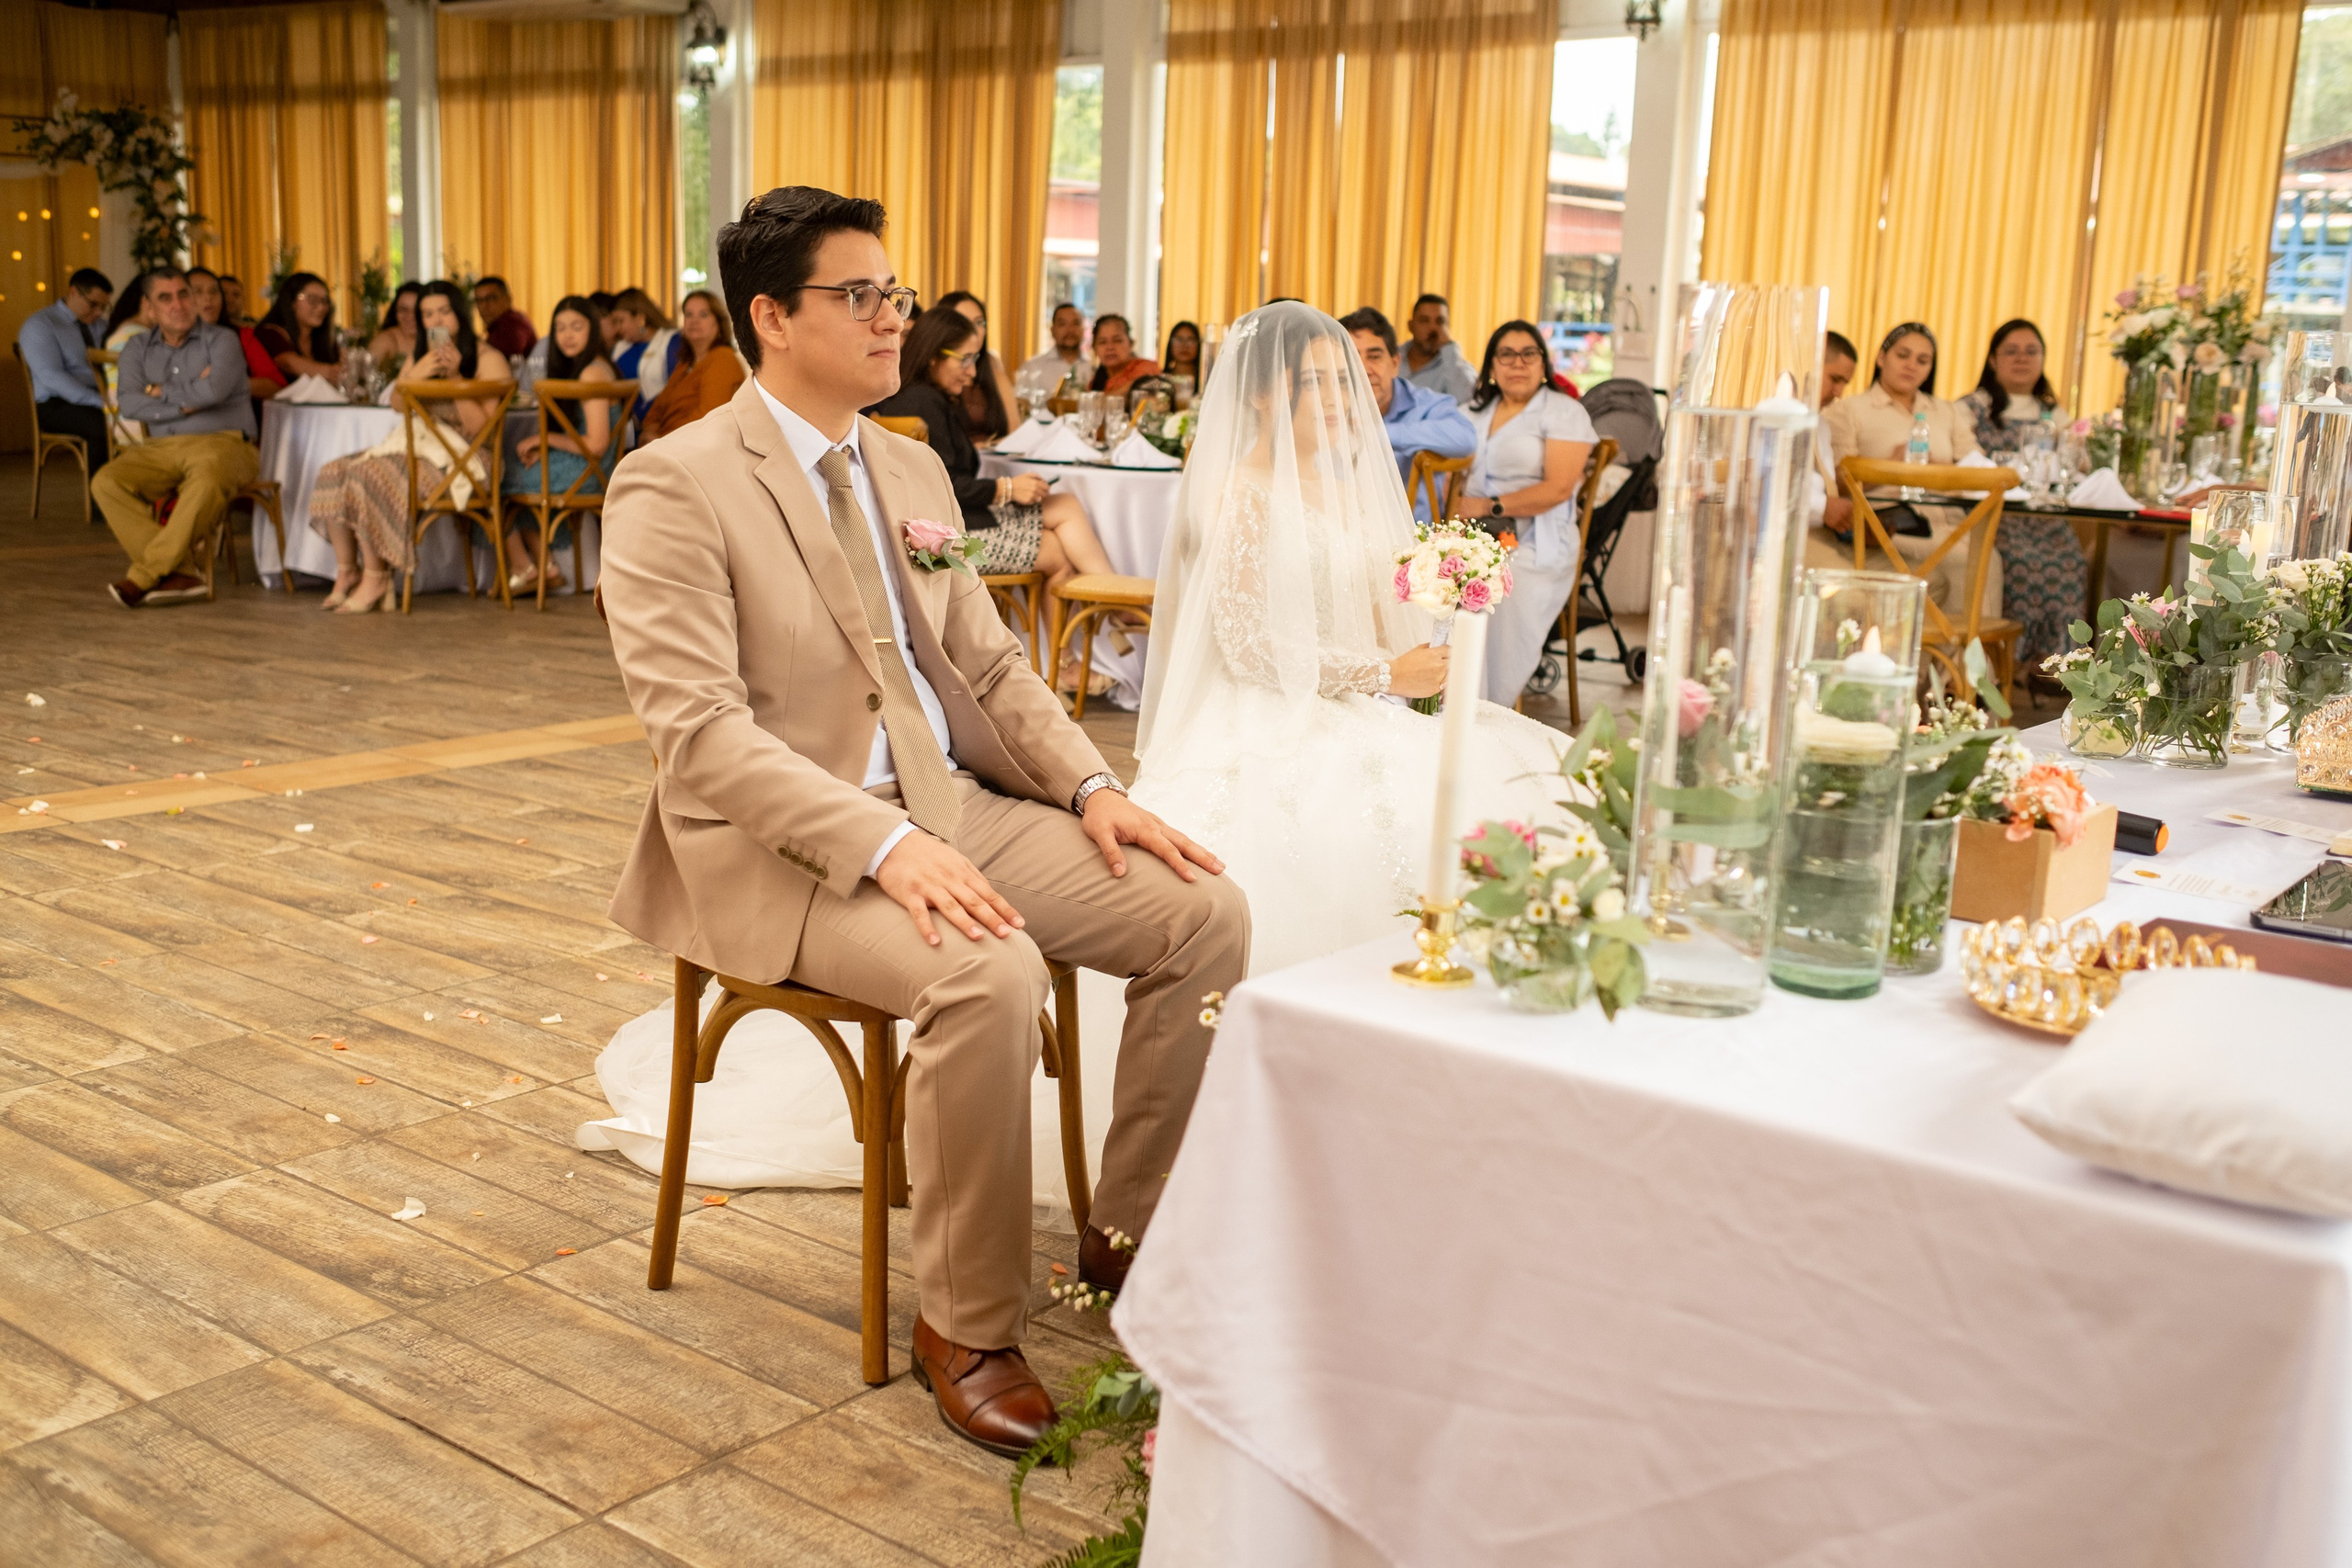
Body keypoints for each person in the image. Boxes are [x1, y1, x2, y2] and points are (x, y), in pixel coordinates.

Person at [595, 184, 1248, 1461]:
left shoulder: (904, 458)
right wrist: (890, 845)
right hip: (800, 849)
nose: (897, 315)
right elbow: (703, 737)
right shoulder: (670, 486)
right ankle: (966, 1321)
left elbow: (991, 664)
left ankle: (1131, 1230)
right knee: (989, 974)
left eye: (895, 291)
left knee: (1203, 914)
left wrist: (1095, 789)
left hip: (956, 806)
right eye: (864, 296)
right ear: (773, 318)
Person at [1131, 300, 1565, 976]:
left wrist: (1435, 591)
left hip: (1356, 689)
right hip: (1268, 707)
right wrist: (1388, 675)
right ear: (1263, 394)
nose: (1342, 398)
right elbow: (1246, 644)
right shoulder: (1236, 491)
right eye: (1319, 383)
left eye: (1346, 380)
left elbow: (1360, 603)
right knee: (1374, 818)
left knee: (1515, 772)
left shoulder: (1339, 483)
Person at [868, 305, 1133, 694]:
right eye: (966, 360)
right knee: (1060, 540)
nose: (973, 372)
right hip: (943, 541)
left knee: (1064, 516)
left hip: (951, 524)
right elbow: (941, 487)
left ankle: (1091, 636)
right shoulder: (922, 403)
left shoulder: (928, 398)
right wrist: (1006, 490)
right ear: (933, 355)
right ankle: (1110, 620)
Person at [307, 280, 512, 614]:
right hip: (422, 449)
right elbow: (399, 405)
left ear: (459, 314)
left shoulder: (489, 359)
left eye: (444, 311)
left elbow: (480, 430)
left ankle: (378, 577)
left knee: (367, 473)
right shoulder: (422, 357)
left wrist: (456, 378)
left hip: (469, 459)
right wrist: (416, 373)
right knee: (333, 470)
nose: (436, 321)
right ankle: (347, 572)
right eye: (428, 314)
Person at [93, 267, 259, 607]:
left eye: (185, 294)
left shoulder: (223, 340)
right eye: (165, 298)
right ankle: (180, 572)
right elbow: (129, 403)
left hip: (225, 442)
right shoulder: (137, 348)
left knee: (206, 478)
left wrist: (158, 392)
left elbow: (212, 391)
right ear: (149, 308)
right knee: (106, 481)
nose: (178, 305)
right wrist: (187, 400)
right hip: (159, 448)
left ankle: (143, 576)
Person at [1813, 321, 1997, 623]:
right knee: (1961, 561)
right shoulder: (1848, 410)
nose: (1911, 366)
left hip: (1953, 525)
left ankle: (1973, 665)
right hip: (1891, 527)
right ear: (1882, 358)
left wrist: (1930, 469)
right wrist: (1893, 469)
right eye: (1903, 355)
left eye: (1922, 361)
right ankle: (1937, 665)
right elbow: (1838, 485)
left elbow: (1978, 469)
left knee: (1988, 557)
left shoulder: (1947, 412)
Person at [1457, 321, 1598, 705]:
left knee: (1501, 586)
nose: (1517, 363)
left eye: (1528, 353)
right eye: (1506, 354)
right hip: (1471, 533)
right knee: (1430, 579)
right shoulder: (1470, 411)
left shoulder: (1563, 412)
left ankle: (1487, 706)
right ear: (1491, 366)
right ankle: (1439, 702)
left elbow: (1559, 488)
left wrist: (1488, 506)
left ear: (1543, 364)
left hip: (1537, 539)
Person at [1961, 318, 2081, 670]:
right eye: (2011, 351)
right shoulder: (1971, 407)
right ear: (1993, 360)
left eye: (2031, 351)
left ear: (2043, 359)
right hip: (1994, 515)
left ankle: (2053, 663)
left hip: (2043, 516)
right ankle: (2005, 662)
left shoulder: (2055, 415)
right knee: (2020, 563)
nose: (2021, 359)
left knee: (2070, 559)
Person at [502, 295, 620, 596]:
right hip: (585, 464)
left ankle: (525, 567)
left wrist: (546, 439)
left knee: (497, 480)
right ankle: (545, 567)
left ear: (591, 330)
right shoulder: (587, 367)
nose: (567, 335)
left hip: (591, 470)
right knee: (516, 473)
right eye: (560, 328)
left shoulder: (592, 372)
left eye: (576, 327)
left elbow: (596, 444)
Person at [1340, 305, 1475, 518]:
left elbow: (1466, 438)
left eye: (1374, 357)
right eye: (1352, 358)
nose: (1363, 369)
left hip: (1414, 543)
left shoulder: (1425, 405)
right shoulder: (1325, 410)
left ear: (1394, 364)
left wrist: (1378, 432)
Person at [17, 265, 112, 465]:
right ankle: (100, 495)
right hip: (55, 405)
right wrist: (99, 401)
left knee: (138, 416)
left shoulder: (101, 326)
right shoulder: (41, 324)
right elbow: (52, 377)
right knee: (103, 425)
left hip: (101, 395)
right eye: (93, 305)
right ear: (74, 292)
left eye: (103, 307)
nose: (98, 313)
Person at [640, 288, 747, 441]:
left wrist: (660, 439)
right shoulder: (685, 364)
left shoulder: (723, 359)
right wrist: (650, 433)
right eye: (688, 314)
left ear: (717, 324)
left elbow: (706, 419)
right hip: (666, 445)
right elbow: (656, 410)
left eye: (703, 315)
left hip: (694, 450)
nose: (694, 321)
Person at [187, 267, 285, 404]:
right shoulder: (169, 340)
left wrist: (229, 384)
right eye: (198, 291)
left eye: (214, 291)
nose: (208, 298)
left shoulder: (242, 336)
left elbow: (276, 386)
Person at [933, 290, 1017, 444]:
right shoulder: (935, 375)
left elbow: (1015, 432)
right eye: (964, 322)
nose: (974, 331)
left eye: (979, 323)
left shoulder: (992, 368)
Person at [1810, 330, 1860, 534]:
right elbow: (1764, 485)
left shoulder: (1821, 426)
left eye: (1844, 384)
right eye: (1835, 379)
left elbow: (1828, 493)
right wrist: (1822, 506)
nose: (1839, 393)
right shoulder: (1775, 415)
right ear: (1810, 365)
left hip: (1821, 534)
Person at [256, 272, 344, 383]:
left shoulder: (325, 341)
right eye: (312, 299)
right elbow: (289, 364)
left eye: (325, 301)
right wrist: (334, 373)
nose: (321, 307)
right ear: (292, 302)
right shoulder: (270, 333)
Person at [606, 287, 679, 416]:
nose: (617, 328)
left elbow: (676, 388)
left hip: (662, 423)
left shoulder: (671, 341)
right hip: (627, 426)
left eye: (621, 321)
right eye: (614, 322)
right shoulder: (620, 347)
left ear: (639, 317)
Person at [1402, 293, 1476, 405]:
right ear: (1410, 326)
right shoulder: (1390, 356)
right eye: (1424, 320)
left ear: (1448, 328)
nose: (1433, 328)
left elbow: (1466, 402)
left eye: (1440, 322)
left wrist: (1449, 348)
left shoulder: (1457, 368)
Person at [1019, 302, 1092, 389]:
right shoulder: (1032, 368)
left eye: (1076, 323)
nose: (1070, 330)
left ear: (1083, 329)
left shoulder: (1093, 368)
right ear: (1052, 330)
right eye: (1062, 324)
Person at [1088, 314, 1158, 398]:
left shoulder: (1146, 368)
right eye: (1102, 342)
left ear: (1131, 344)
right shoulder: (1096, 381)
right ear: (1094, 348)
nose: (1110, 347)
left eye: (1117, 341)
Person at [473, 276, 537, 360]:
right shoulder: (497, 326)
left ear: (508, 299)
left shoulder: (512, 324)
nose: (484, 306)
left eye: (491, 298)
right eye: (479, 300)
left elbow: (496, 360)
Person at [368, 281, 424, 367]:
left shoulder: (434, 338)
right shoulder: (385, 340)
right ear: (395, 312)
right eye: (404, 310)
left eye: (416, 310)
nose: (411, 316)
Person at [1160, 320, 1203, 397]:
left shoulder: (1205, 381)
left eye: (1191, 340)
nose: (1184, 345)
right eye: (1178, 339)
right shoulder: (1161, 380)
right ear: (1170, 344)